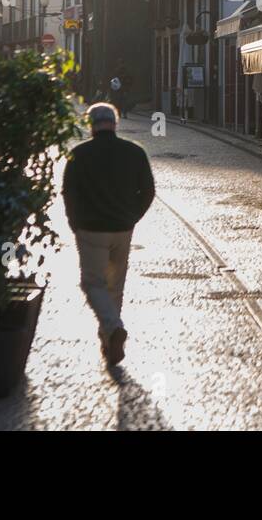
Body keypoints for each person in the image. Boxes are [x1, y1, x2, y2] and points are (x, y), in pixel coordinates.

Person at [61, 102, 155, 366]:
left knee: (92, 284)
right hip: (122, 229)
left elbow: (69, 193)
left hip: (91, 229)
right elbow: (148, 191)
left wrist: (74, 223)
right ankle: (108, 343)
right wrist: (132, 217)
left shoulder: (78, 155)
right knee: (115, 287)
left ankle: (113, 329)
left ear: (91, 125)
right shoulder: (134, 152)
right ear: (115, 123)